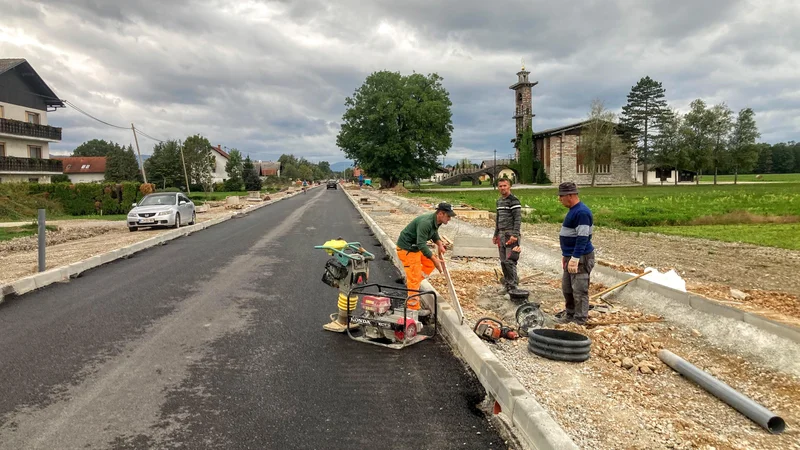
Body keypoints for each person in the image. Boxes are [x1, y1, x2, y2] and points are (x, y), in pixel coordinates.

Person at [395, 202, 455, 312]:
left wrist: (439, 243)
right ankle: (412, 308)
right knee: (415, 276)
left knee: (428, 264)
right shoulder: (426, 223)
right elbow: (421, 244)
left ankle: (414, 281)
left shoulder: (436, 221)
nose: (450, 219)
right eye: (449, 216)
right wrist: (435, 259)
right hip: (407, 249)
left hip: (415, 249)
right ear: (441, 213)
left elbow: (433, 233)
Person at [555, 181, 595, 326]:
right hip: (570, 256)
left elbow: (583, 237)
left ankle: (580, 320)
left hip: (581, 257)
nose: (560, 199)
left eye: (562, 196)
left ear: (570, 195)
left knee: (579, 290)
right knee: (567, 288)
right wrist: (566, 256)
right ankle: (570, 314)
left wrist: (575, 257)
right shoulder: (574, 210)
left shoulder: (582, 213)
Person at [493, 178, 522, 292]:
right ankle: (507, 285)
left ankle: (513, 286)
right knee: (503, 261)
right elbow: (498, 218)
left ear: (509, 186)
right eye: (500, 186)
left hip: (511, 234)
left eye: (505, 185)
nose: (502, 188)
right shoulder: (499, 201)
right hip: (501, 234)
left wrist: (514, 235)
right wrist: (495, 234)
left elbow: (518, 219)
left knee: (510, 261)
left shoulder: (514, 201)